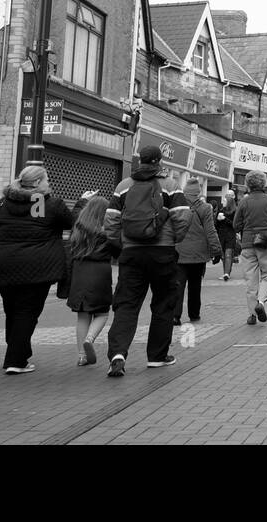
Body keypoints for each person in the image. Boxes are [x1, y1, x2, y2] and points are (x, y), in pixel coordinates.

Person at [103, 145, 191, 377]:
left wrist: (123, 244)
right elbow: (183, 217)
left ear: (140, 161)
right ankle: (157, 356)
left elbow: (110, 222)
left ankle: (118, 353)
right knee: (163, 304)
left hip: (132, 254)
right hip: (162, 253)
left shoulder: (123, 186)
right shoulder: (170, 186)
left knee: (127, 304)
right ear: (159, 161)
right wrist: (172, 239)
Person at [0, 165, 75, 375]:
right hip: (38, 267)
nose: (49, 184)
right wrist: (81, 203)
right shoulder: (47, 203)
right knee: (27, 312)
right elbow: (69, 222)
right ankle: (16, 359)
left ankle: (18, 352)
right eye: (46, 180)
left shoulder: (3, 202)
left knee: (13, 310)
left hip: (6, 264)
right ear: (36, 183)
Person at [66, 195, 118, 366]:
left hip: (80, 272)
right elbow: (118, 251)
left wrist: (81, 200)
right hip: (100, 273)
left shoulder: (78, 229)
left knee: (82, 316)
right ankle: (90, 338)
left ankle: (82, 355)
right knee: (102, 313)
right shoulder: (107, 232)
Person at [233, 170, 267, 325]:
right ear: (264, 183)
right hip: (266, 242)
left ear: (248, 184)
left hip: (248, 244)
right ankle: (261, 302)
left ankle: (252, 315)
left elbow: (236, 225)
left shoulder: (244, 202)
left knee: (251, 280)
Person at [174, 177, 222, 325]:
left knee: (178, 285)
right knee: (195, 285)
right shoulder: (205, 208)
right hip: (198, 255)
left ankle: (175, 316)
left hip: (179, 252)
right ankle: (194, 314)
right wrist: (216, 250)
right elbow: (210, 231)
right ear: (198, 193)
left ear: (185, 191)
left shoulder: (177, 206)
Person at [215, 189, 238, 281]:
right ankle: (226, 271)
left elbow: (235, 224)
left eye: (225, 199)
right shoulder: (221, 210)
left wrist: (224, 219)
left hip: (230, 235)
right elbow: (216, 224)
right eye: (225, 197)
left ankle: (226, 273)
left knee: (228, 254)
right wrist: (217, 219)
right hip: (221, 236)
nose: (224, 200)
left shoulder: (235, 211)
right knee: (223, 255)